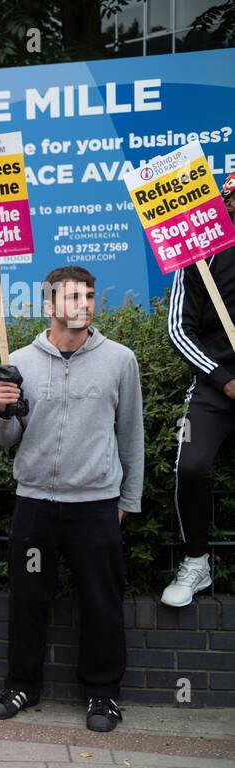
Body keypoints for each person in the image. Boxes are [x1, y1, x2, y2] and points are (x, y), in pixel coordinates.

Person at [0, 266, 143, 733]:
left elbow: (131, 435)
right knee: (28, 599)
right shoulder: (18, 360)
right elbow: (2, 438)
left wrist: (127, 501)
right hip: (35, 503)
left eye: (90, 296)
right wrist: (1, 408)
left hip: (96, 504)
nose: (84, 305)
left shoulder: (120, 360)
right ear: (49, 305)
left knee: (101, 601)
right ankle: (22, 685)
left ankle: (103, 695)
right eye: (73, 296)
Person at [161, 173, 235, 607]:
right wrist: (223, 380)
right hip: (215, 386)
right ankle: (195, 562)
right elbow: (177, 328)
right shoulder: (198, 255)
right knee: (191, 466)